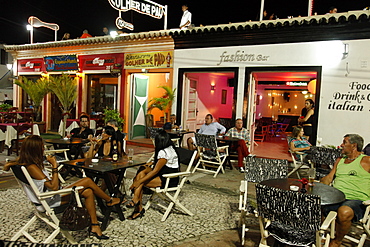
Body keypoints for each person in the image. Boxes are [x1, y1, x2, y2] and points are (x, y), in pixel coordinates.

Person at [3, 135, 122, 240]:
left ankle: (95, 226)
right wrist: (54, 166)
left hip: (46, 198)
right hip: (48, 200)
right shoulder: (32, 167)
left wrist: (8, 164)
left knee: (88, 191)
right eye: (42, 147)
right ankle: (109, 200)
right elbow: (54, 187)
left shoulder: (23, 162)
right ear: (35, 150)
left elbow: (10, 164)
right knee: (87, 180)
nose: (44, 149)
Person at [321, 134, 370, 247]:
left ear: (354, 146)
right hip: (336, 197)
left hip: (357, 200)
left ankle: (337, 241)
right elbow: (329, 179)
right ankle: (320, 235)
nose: (341, 145)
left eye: (345, 142)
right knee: (314, 204)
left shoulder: (366, 160)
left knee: (344, 211)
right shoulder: (340, 160)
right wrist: (315, 185)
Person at [128, 130, 180, 220]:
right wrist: (152, 162)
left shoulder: (163, 153)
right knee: (142, 171)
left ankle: (137, 204)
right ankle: (136, 201)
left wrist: (137, 182)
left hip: (167, 179)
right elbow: (162, 164)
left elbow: (155, 171)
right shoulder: (171, 148)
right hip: (165, 173)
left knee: (140, 181)